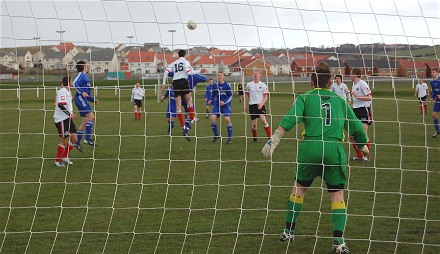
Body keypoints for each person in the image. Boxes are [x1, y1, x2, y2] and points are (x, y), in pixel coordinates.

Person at [261, 62, 369, 254]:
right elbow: (357, 127)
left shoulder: (304, 97)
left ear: (312, 82)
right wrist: (362, 146)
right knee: (336, 194)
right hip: (334, 149)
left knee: (299, 189)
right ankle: (339, 242)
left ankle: (288, 231)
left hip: (310, 148)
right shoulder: (340, 101)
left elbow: (291, 116)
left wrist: (275, 138)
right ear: (329, 82)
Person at [162, 49, 205, 140]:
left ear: (178, 55)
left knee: (178, 106)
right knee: (189, 100)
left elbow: (166, 72)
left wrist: (164, 83)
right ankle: (193, 118)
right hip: (183, 81)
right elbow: (190, 72)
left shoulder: (174, 63)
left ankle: (182, 125)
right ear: (185, 55)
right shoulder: (185, 62)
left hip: (175, 83)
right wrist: (200, 71)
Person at [73, 60, 99, 151]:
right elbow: (74, 83)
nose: (87, 67)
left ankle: (77, 142)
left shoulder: (84, 77)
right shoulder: (81, 74)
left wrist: (92, 99)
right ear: (84, 67)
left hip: (82, 99)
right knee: (92, 117)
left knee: (84, 121)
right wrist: (81, 92)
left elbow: (86, 93)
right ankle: (87, 139)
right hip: (80, 99)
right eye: (86, 66)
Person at [54, 76, 78, 167]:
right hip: (61, 119)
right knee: (64, 140)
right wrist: (70, 114)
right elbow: (60, 105)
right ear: (69, 82)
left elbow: (67, 102)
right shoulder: (62, 91)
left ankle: (64, 156)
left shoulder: (67, 91)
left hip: (68, 118)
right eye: (71, 81)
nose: (72, 83)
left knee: (74, 138)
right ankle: (57, 161)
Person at [350, 68, 372, 161]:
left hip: (364, 110)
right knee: (352, 136)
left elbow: (370, 97)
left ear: (354, 74)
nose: (350, 76)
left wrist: (357, 96)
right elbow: (355, 100)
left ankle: (367, 156)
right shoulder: (353, 85)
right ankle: (360, 156)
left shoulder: (362, 83)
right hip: (355, 111)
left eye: (351, 74)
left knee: (363, 134)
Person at [244, 70, 271, 142]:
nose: (255, 75)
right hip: (252, 105)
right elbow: (246, 94)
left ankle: (270, 138)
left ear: (260, 75)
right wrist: (245, 104)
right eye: (254, 74)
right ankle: (255, 139)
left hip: (260, 105)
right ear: (253, 75)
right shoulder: (249, 85)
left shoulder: (263, 85)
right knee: (254, 125)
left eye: (257, 73)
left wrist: (262, 104)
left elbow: (266, 96)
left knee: (263, 120)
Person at [208, 72, 233, 144]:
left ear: (223, 77)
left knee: (227, 119)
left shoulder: (227, 85)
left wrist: (224, 102)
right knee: (212, 118)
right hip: (217, 105)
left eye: (220, 75)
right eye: (218, 75)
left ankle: (229, 138)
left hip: (225, 105)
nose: (219, 76)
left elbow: (230, 96)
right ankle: (216, 135)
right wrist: (210, 100)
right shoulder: (215, 85)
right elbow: (213, 94)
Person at [430, 68, 440, 137]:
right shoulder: (432, 82)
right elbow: (434, 90)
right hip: (437, 101)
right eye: (431, 72)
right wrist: (432, 97)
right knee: (433, 115)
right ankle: (437, 131)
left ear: (437, 73)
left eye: (433, 72)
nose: (432, 74)